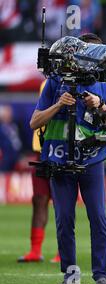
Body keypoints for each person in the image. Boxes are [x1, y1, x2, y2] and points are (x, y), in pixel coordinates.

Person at [29, 33, 106, 284]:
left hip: (91, 159)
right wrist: (58, 105)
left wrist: (100, 105)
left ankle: (102, 276)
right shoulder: (54, 82)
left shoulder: (103, 83)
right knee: (64, 219)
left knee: (98, 217)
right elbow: (34, 122)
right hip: (59, 158)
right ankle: (70, 276)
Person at [17, 81, 60, 264]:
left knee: (62, 202)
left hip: (60, 148)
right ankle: (35, 250)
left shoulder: (61, 83)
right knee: (39, 199)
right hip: (41, 150)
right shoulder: (47, 83)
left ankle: (63, 250)